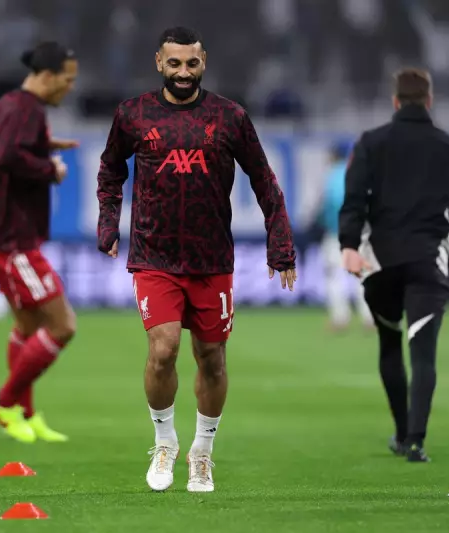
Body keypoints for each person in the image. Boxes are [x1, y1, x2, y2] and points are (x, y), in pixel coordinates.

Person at [96, 27, 297, 493]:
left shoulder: (230, 117)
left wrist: (280, 243)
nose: (183, 72)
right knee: (163, 349)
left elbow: (264, 179)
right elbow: (109, 170)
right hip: (154, 255)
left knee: (212, 359)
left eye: (191, 63)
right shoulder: (133, 114)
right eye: (174, 64)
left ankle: (202, 452)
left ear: (203, 61)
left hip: (212, 259)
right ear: (159, 63)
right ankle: (164, 441)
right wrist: (109, 223)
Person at [339, 68, 449, 463]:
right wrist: (448, 260)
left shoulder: (371, 142)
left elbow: (354, 197)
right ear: (429, 101)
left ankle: (399, 431)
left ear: (395, 101)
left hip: (381, 261)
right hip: (428, 260)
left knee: (390, 343)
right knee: (424, 354)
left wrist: (348, 245)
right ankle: (415, 441)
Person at [0, 41, 79, 444]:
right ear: (47, 76)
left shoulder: (10, 103)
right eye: (67, 79)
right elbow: (3, 156)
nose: (70, 87)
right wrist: (49, 168)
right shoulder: (27, 109)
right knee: (62, 326)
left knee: (29, 326)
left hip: (2, 234)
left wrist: (38, 145)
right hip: (12, 240)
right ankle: (4, 401)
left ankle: (25, 415)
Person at [319, 143, 373, 331]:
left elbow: (329, 205)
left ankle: (340, 318)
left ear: (333, 156)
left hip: (336, 233)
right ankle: (369, 318)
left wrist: (322, 222)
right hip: (359, 232)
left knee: (334, 275)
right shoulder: (359, 173)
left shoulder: (331, 175)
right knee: (362, 275)